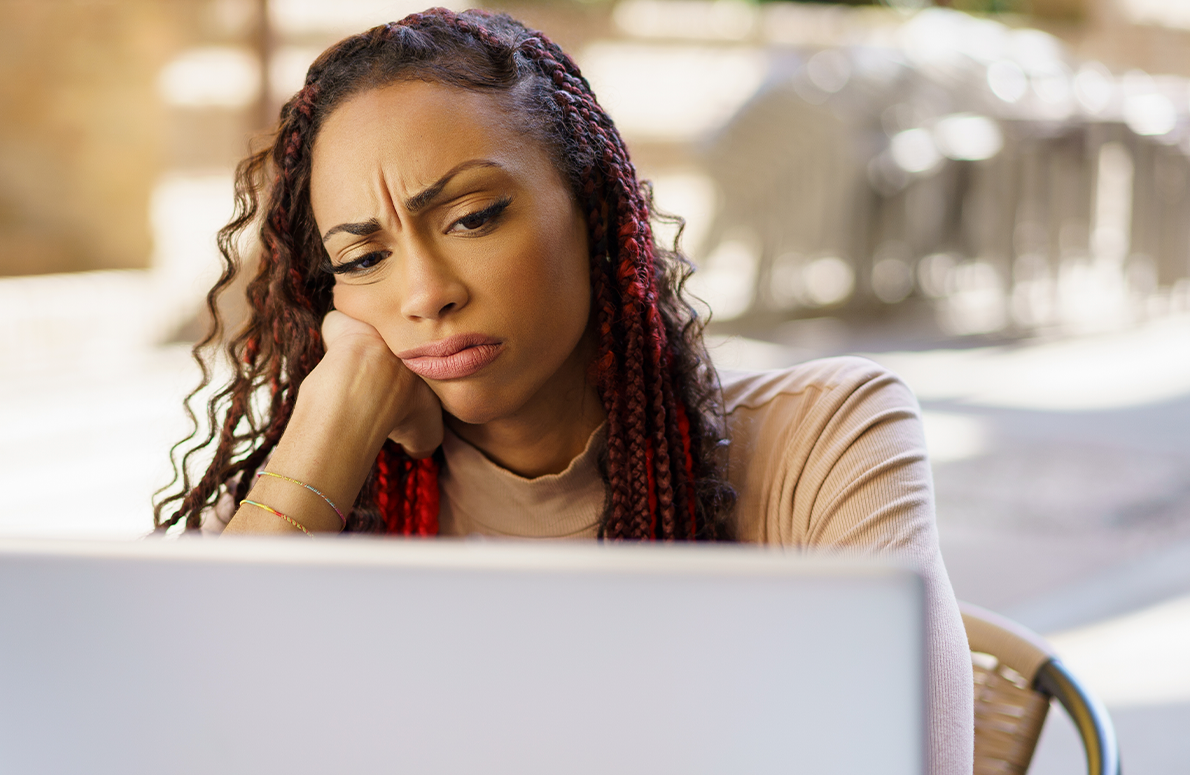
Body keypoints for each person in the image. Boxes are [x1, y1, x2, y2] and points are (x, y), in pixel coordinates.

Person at [153, 8, 973, 774]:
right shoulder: (320, 488)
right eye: (364, 260)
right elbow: (161, 730)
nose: (425, 293)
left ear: (592, 208)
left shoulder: (828, 439)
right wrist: (325, 436)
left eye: (475, 217)